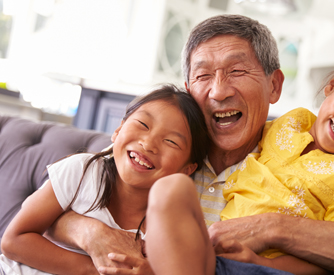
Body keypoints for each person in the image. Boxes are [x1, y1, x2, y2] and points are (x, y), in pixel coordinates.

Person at [45, 14, 334, 274]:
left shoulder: (299, 156)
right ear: (189, 91)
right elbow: (64, 200)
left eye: (237, 71)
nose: (219, 91)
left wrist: (272, 228)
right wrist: (91, 232)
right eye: (203, 75)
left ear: (274, 86)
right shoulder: (159, 150)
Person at [131, 57, 334, 275]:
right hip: (216, 257)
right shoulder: (289, 124)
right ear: (333, 85)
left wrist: (262, 261)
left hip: (267, 268)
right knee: (171, 189)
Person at [0, 84, 209, 275]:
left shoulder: (167, 228)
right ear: (118, 130)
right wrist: (94, 270)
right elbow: (13, 240)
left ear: (186, 170)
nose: (148, 144)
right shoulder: (82, 171)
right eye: (143, 124)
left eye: (171, 141)